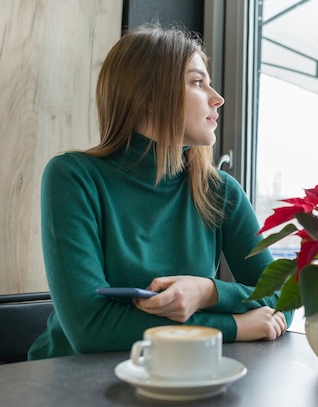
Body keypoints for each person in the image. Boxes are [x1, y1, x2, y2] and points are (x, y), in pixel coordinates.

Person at [28, 24, 292, 360]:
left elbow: (285, 299)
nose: (218, 98)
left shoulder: (221, 192)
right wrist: (235, 326)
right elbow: (90, 329)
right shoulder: (73, 177)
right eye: (197, 82)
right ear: (149, 97)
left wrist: (209, 292)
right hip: (69, 384)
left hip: (177, 378)